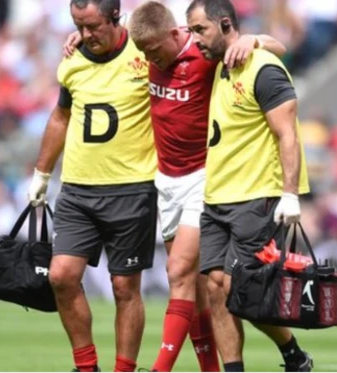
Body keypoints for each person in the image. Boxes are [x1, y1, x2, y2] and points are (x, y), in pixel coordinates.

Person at [64, 2, 287, 370]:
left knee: (179, 272)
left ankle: (160, 368)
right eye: (145, 52)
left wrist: (253, 41)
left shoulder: (203, 54)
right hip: (165, 179)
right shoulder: (144, 49)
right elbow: (113, 41)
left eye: (154, 50)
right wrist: (81, 36)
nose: (151, 59)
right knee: (198, 288)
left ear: (174, 34)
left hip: (203, 176)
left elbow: (276, 47)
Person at [27, 0, 157, 371]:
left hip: (132, 189)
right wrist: (42, 174)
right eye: (78, 26)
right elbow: (61, 116)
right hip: (78, 190)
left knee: (124, 289)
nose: (85, 35)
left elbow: (166, 21)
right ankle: (86, 367)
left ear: (116, 17)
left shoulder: (143, 49)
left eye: (92, 26)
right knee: (61, 277)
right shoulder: (73, 61)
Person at [186, 0, 312, 371]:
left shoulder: (263, 68)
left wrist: (289, 195)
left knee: (244, 293)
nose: (194, 40)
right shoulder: (219, 62)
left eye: (200, 30)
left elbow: (287, 134)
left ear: (225, 24)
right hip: (218, 197)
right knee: (216, 290)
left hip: (257, 197)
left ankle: (292, 353)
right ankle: (278, 360)